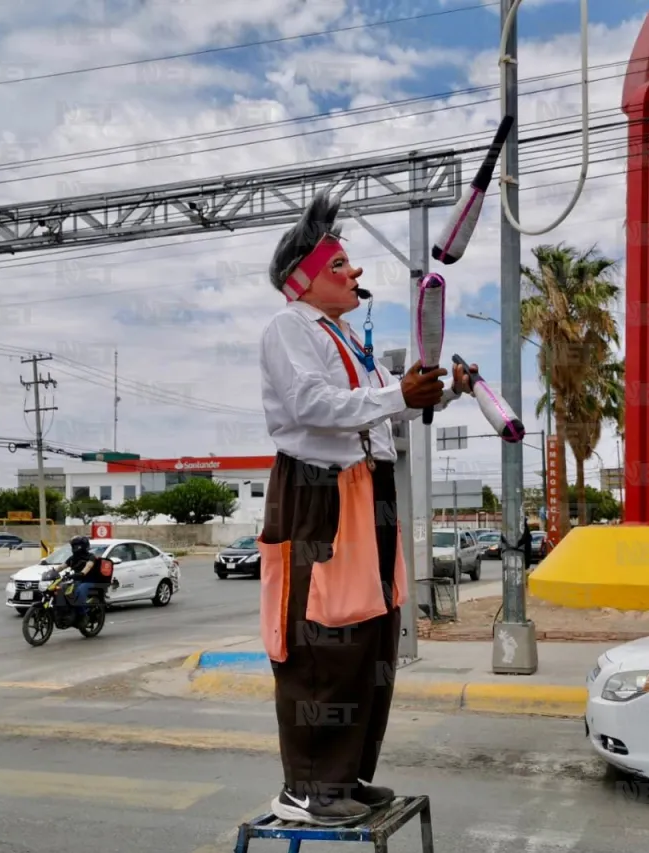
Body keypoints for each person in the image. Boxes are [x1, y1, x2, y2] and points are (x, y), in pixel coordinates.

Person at [258, 191, 481, 827]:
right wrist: (396, 396)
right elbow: (308, 405)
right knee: (320, 635)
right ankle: (306, 788)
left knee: (368, 635)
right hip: (317, 493)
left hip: (368, 489)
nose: (354, 273)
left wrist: (442, 392)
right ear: (303, 279)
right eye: (340, 266)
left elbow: (387, 408)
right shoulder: (289, 329)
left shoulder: (345, 337)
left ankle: (346, 777)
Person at [63, 535, 107, 616]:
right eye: (74, 546)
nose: (75, 548)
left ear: (83, 546)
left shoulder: (90, 557)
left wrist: (82, 573)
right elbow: (62, 566)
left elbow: (88, 566)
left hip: (89, 581)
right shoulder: (73, 558)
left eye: (77, 546)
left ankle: (83, 615)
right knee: (63, 589)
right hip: (77, 580)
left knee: (79, 591)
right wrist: (52, 571)